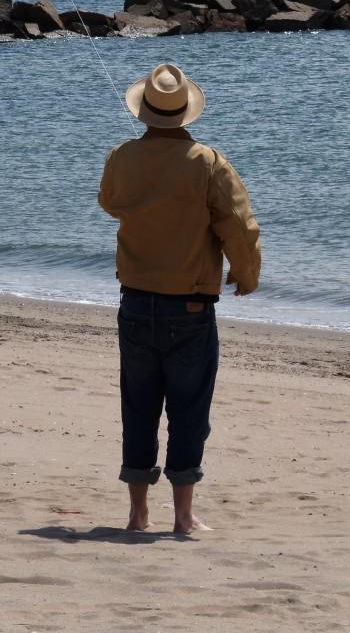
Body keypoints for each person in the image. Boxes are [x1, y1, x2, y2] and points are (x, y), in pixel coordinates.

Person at [98, 63, 261, 534]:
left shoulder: (122, 156)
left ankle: (137, 512)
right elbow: (240, 225)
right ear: (185, 114)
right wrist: (246, 275)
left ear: (145, 110)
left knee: (139, 408)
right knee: (189, 412)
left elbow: (109, 201)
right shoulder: (207, 162)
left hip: (135, 302)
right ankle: (184, 516)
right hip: (189, 306)